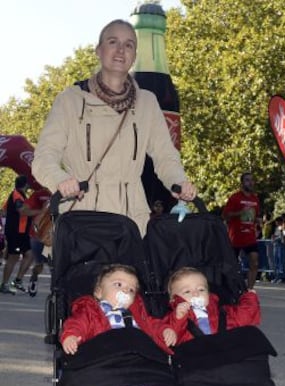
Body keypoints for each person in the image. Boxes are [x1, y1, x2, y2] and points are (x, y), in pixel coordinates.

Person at [31, 19, 197, 237]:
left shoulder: (147, 102)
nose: (121, 50)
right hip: (83, 220)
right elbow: (43, 159)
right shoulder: (70, 100)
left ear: (134, 56)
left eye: (129, 44)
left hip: (132, 223)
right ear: (98, 50)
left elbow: (166, 155)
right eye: (113, 42)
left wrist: (179, 181)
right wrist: (60, 180)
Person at [61, 263, 177, 355]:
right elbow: (77, 323)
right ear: (99, 292)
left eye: (131, 290)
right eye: (118, 285)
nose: (126, 290)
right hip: (106, 354)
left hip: (137, 354)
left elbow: (152, 324)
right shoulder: (90, 311)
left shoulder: (137, 314)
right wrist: (71, 335)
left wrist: (165, 330)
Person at [163, 267, 261, 345]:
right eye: (187, 291)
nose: (196, 294)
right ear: (173, 299)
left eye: (201, 290)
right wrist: (178, 319)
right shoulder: (173, 316)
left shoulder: (223, 312)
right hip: (194, 358)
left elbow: (245, 316)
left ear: (209, 293)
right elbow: (169, 337)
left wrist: (250, 298)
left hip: (224, 354)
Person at [222, 172, 261, 289]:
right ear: (242, 183)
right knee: (231, 266)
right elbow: (225, 216)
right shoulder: (235, 198)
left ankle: (250, 290)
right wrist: (239, 213)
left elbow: (256, 216)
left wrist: (258, 223)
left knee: (254, 262)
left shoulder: (255, 199)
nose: (250, 182)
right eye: (247, 180)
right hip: (235, 237)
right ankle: (230, 288)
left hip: (250, 237)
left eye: (252, 180)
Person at [0, 176, 33, 294]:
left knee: (29, 255)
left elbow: (4, 210)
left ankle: (18, 280)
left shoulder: (18, 195)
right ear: (25, 185)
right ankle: (4, 284)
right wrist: (39, 211)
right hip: (15, 232)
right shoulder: (17, 195)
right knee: (13, 257)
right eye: (28, 184)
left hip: (22, 232)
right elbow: (21, 210)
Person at [20, 187, 52, 296]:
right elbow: (23, 210)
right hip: (38, 235)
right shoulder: (39, 194)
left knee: (55, 265)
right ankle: (34, 278)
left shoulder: (65, 192)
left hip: (54, 236)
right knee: (40, 264)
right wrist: (42, 211)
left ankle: (56, 291)